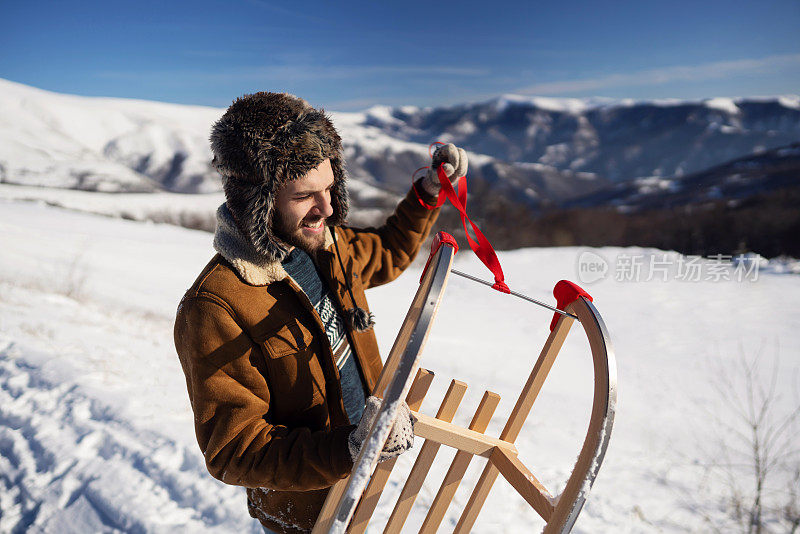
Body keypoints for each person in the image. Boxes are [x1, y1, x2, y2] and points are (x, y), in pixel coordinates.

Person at [173, 92, 467, 534]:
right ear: (257, 200)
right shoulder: (217, 304)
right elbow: (234, 449)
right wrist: (346, 449)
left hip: (364, 479)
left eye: (330, 188)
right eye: (306, 195)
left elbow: (389, 251)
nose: (327, 208)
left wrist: (425, 194)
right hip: (306, 514)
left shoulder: (328, 244)